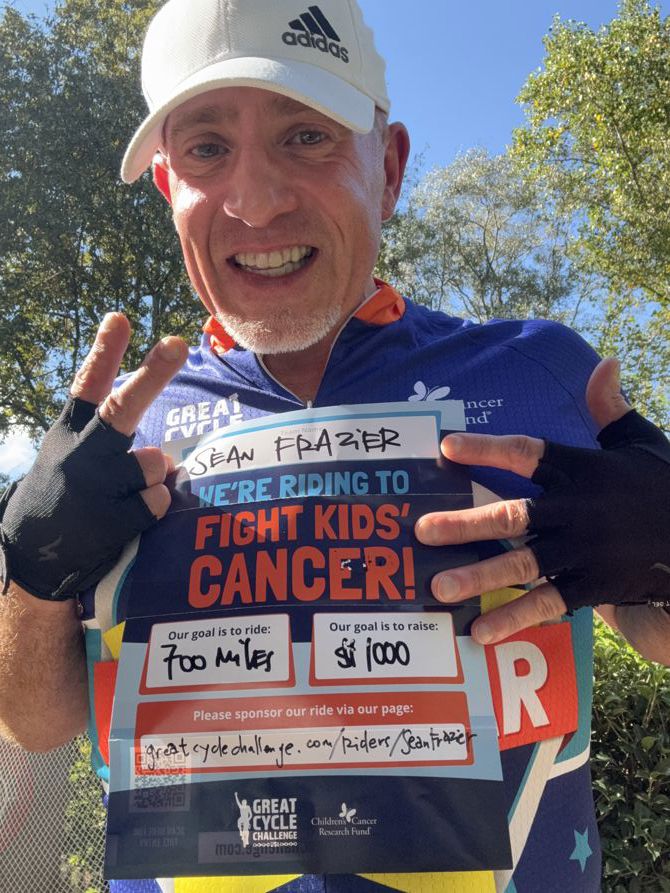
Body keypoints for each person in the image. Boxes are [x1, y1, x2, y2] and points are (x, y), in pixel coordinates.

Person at [0, 0, 668, 891]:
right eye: (206, 148)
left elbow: (657, 631)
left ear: (387, 169)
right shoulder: (119, 433)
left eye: (306, 136)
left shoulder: (543, 375)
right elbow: (36, 724)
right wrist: (34, 580)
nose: (255, 199)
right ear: (168, 188)